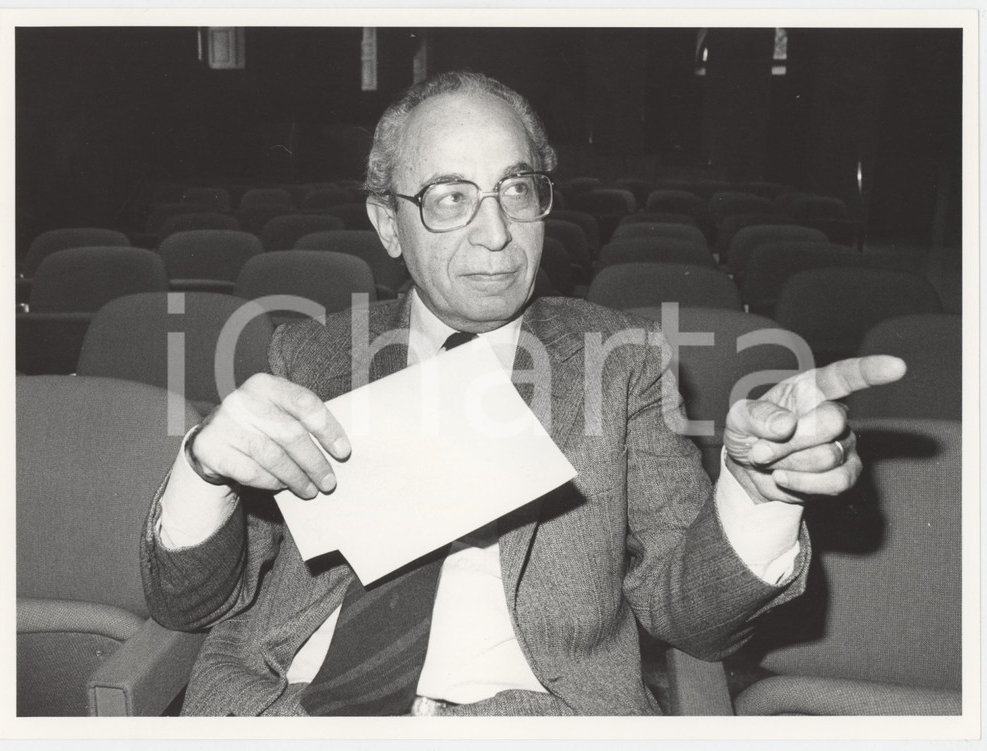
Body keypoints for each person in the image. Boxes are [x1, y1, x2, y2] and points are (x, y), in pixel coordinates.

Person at [141, 71, 905, 717]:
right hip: (282, 706)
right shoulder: (310, 354)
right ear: (387, 224)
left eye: (517, 188)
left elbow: (689, 616)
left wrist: (758, 496)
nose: (497, 233)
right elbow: (192, 604)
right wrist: (205, 470)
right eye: (450, 197)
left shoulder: (622, 360)